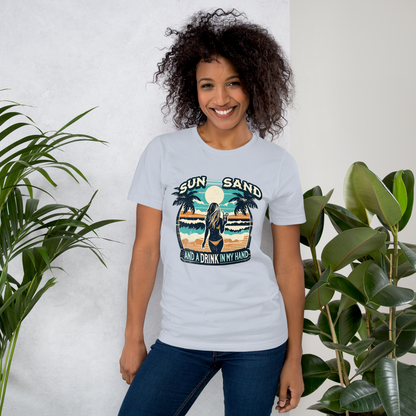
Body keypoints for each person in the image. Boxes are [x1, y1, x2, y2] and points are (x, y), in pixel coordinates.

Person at [119, 9, 305, 416]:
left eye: (233, 83)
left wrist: (294, 356)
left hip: (259, 340)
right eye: (208, 86)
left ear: (254, 84)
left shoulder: (277, 163)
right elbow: (146, 249)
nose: (220, 99)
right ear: (194, 90)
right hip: (183, 335)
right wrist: (134, 334)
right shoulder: (164, 153)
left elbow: (289, 266)